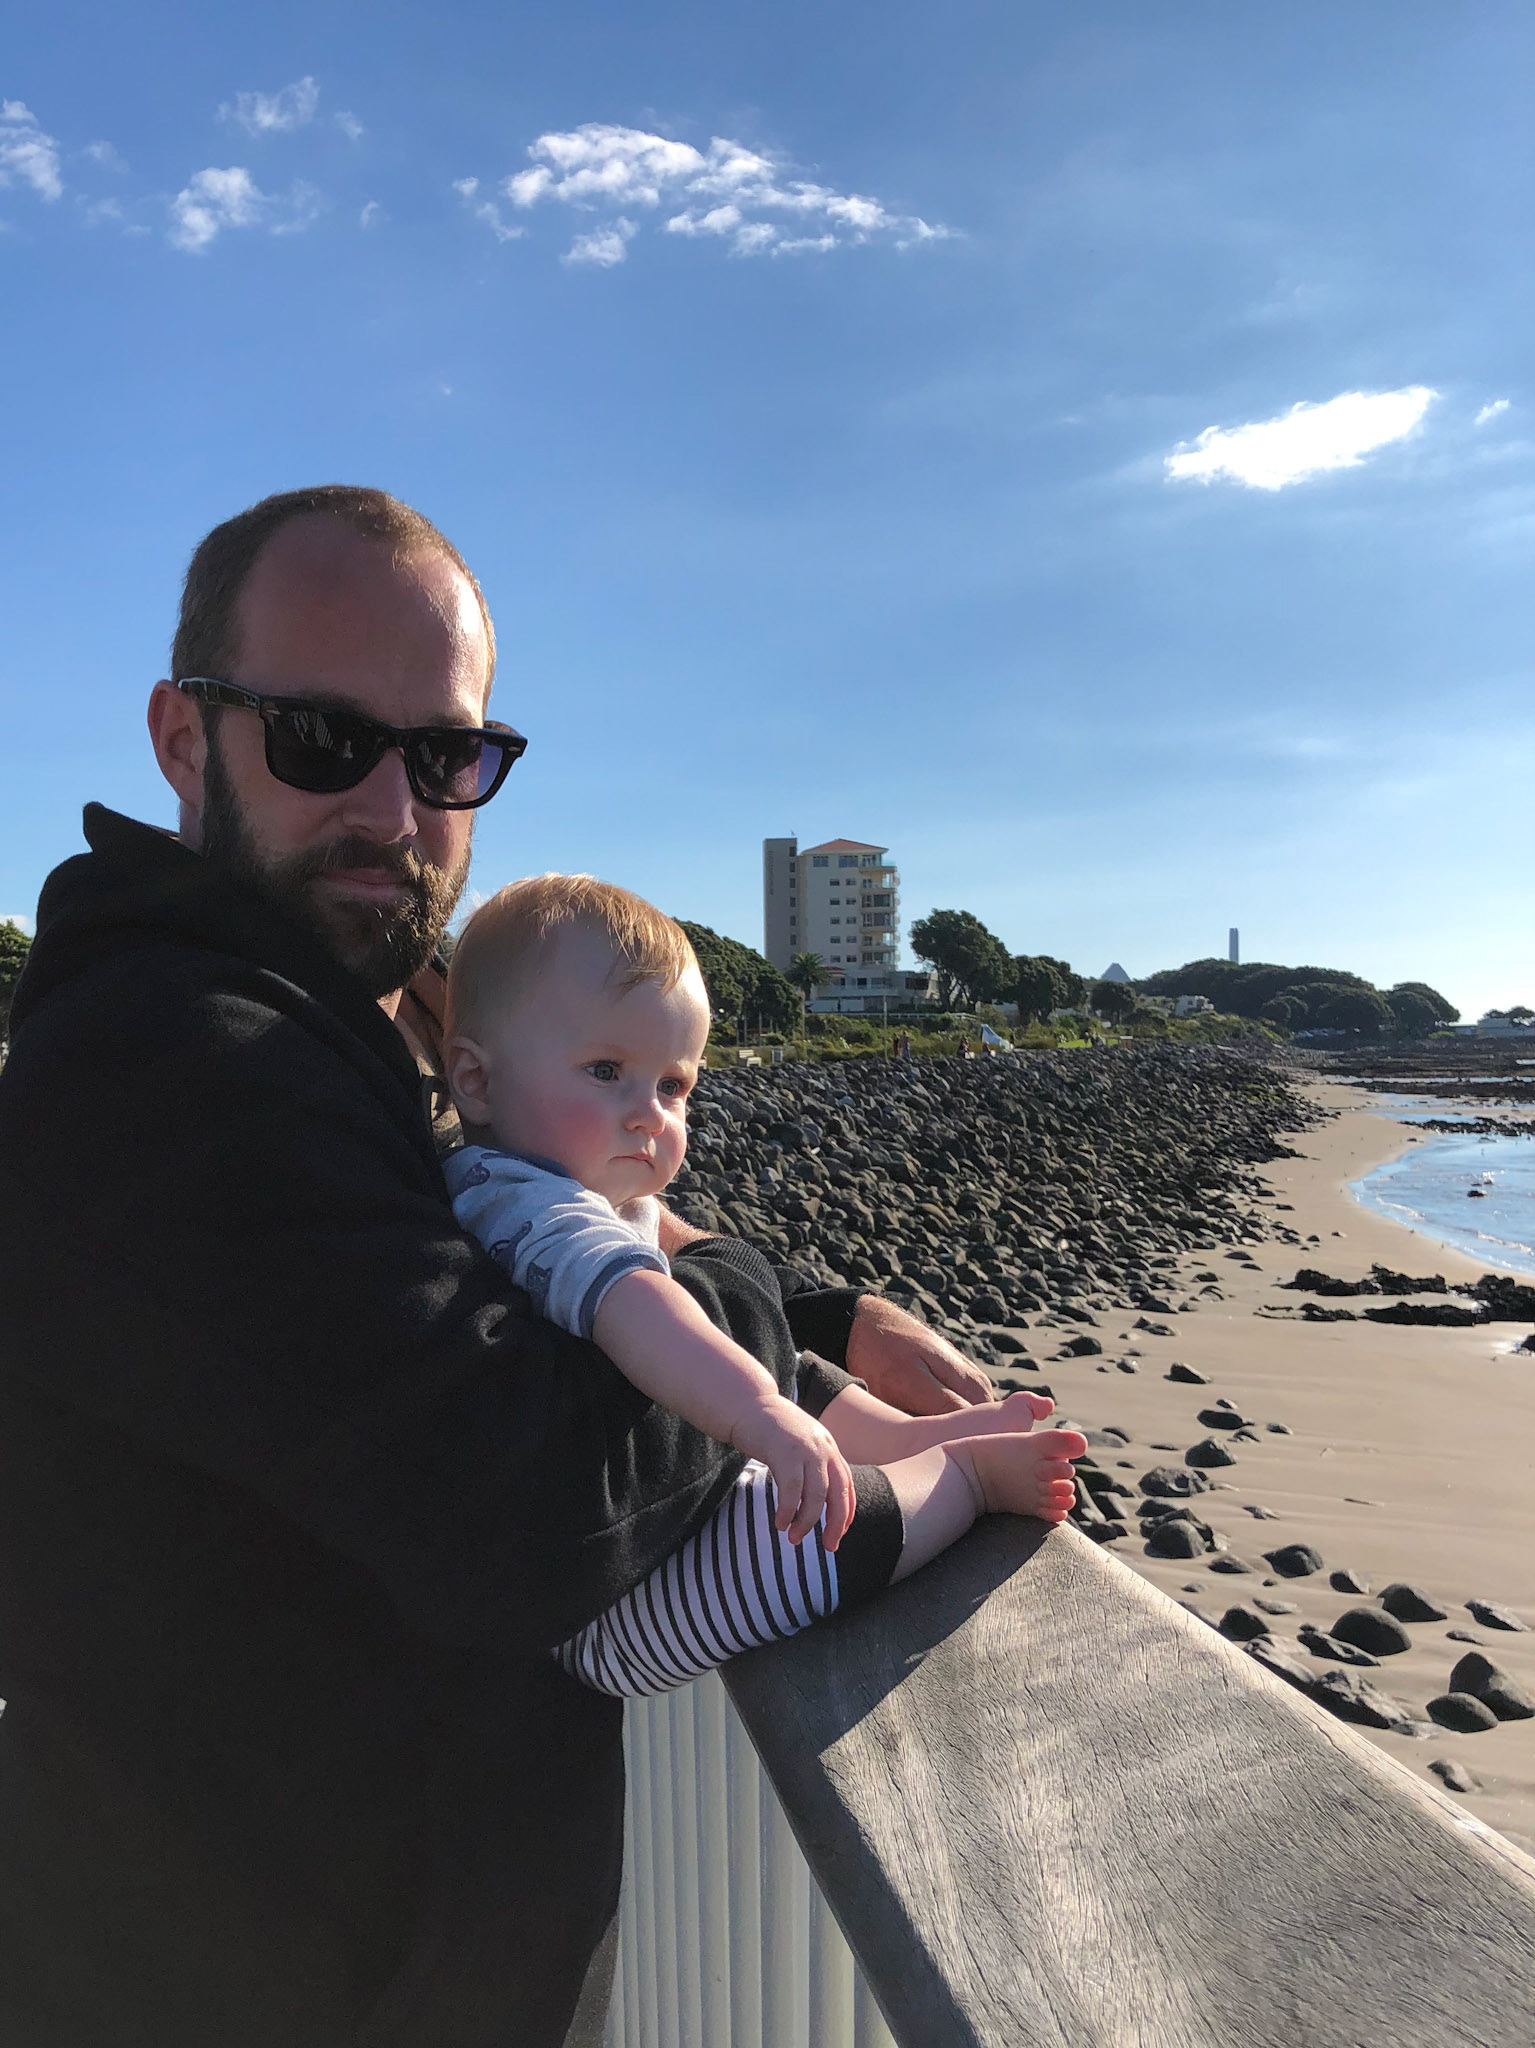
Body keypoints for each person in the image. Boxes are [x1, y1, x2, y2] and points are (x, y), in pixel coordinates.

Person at [0, 485, 1008, 2048]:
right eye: (323, 740)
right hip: (253, 1986)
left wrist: (817, 1313)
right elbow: (537, 1507)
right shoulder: (175, 1063)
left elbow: (517, 1218)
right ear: (186, 739)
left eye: (443, 756)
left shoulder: (332, 1016)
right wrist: (748, 1319)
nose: (393, 811)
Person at [439, 874, 1083, 1697]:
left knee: (778, 1362)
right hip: (608, 1612)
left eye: (673, 1086)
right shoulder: (526, 1203)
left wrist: (770, 1388)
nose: (649, 1115)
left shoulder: (569, 1182)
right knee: (800, 1541)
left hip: (651, 1498)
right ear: (476, 1080)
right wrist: (757, 1411)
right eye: (605, 1070)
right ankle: (962, 1477)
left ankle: (903, 1437)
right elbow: (636, 1304)